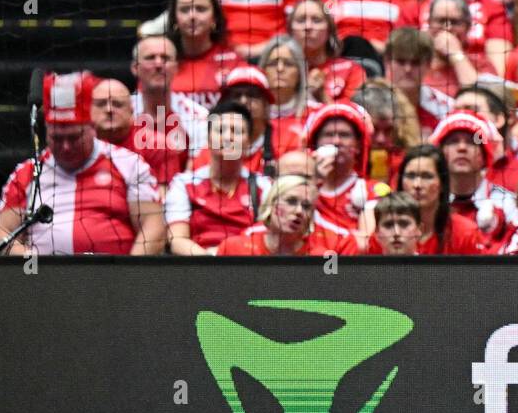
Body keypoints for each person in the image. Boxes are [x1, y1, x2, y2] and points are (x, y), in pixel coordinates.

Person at [0, 72, 163, 256]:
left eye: (74, 137)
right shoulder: (27, 173)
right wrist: (34, 265)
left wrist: (126, 276)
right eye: (57, 138)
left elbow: (153, 228)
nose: (66, 147)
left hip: (113, 278)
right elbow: (2, 236)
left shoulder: (129, 164)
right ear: (47, 132)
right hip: (42, 279)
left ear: (92, 127)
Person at [166, 101, 272, 255]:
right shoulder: (184, 184)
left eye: (237, 131)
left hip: (247, 265)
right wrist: (211, 261)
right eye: (220, 130)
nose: (228, 137)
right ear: (208, 139)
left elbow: (265, 239)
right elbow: (177, 240)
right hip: (198, 264)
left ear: (248, 142)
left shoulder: (264, 187)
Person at [129, 35, 209, 187]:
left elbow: (196, 173)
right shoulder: (122, 111)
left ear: (177, 67)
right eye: (150, 57)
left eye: (165, 58)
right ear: (135, 68)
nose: (158, 64)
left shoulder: (198, 116)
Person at [300, 102, 388, 240]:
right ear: (315, 144)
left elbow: (368, 243)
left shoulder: (373, 191)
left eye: (345, 135)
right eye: (328, 134)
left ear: (359, 145)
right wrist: (314, 182)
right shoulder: (300, 189)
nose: (336, 141)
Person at [432, 111, 518, 242]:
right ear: (440, 152)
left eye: (472, 142)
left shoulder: (508, 204)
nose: (462, 148)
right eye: (453, 141)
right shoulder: (430, 202)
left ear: (486, 155)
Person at [216, 174, 357, 255]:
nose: (299, 211)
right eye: (291, 201)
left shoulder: (323, 257)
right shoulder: (233, 248)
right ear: (271, 203)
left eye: (306, 207)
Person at [390, 146, 485, 254]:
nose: (417, 185)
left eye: (427, 176)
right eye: (410, 176)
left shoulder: (465, 233)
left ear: (442, 184)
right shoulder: (386, 231)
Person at [168, 0, 245, 109]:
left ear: (214, 19)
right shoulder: (161, 61)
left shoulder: (234, 62)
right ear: (175, 19)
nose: (192, 16)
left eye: (201, 9)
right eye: (184, 10)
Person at [288, 0, 367, 102]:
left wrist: (321, 95)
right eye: (301, 20)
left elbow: (353, 116)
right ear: (290, 30)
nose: (308, 27)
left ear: (330, 29)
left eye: (316, 20)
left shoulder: (351, 71)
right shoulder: (280, 69)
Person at [258, 35, 318, 159]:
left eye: (289, 64)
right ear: (263, 70)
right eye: (273, 63)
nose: (280, 69)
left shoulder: (315, 114)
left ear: (300, 72)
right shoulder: (251, 115)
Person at [369, 191, 422, 255]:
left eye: (404, 224)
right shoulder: (362, 265)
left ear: (419, 229)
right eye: (388, 225)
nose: (396, 233)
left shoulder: (432, 265)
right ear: (377, 232)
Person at [90, 78, 133, 147]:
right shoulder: (75, 144)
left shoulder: (152, 145)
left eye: (117, 104)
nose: (109, 110)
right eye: (101, 104)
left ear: (131, 110)